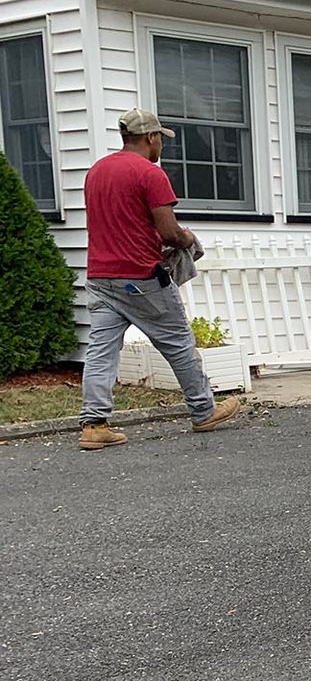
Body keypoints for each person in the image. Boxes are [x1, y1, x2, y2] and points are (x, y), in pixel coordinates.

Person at [78, 108, 244, 449]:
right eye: (160, 139)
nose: (161, 146)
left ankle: (94, 425)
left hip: (100, 275)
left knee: (101, 351)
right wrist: (187, 239)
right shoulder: (150, 174)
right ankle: (203, 411)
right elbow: (167, 232)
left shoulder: (97, 171)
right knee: (178, 342)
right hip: (141, 277)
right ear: (151, 138)